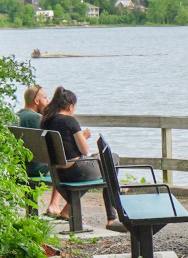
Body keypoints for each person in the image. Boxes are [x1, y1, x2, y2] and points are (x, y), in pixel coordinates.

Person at [41, 87, 126, 232]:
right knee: (112, 159)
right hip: (76, 171)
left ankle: (68, 210)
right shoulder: (70, 121)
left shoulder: (46, 121)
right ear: (70, 106)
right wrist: (84, 137)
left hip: (57, 172)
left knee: (103, 165)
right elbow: (84, 150)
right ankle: (112, 218)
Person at [15, 85, 64, 216]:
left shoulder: (14, 117)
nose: (47, 102)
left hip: (18, 169)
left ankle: (32, 214)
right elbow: (55, 147)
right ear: (37, 101)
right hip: (36, 169)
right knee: (62, 165)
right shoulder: (37, 119)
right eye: (45, 98)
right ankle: (54, 205)